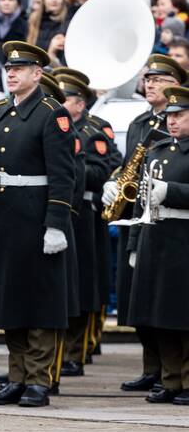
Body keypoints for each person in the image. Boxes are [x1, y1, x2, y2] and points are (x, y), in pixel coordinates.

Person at [0, 41, 75, 408]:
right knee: (11, 301)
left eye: (20, 69)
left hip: (35, 218)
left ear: (38, 73)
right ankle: (17, 376)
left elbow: (64, 176)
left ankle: (38, 379)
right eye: (9, 69)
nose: (11, 74)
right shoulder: (2, 113)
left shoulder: (51, 113)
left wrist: (56, 224)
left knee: (39, 303)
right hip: (4, 216)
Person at [101, 54, 186, 395]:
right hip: (143, 222)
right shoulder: (141, 123)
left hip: (177, 230)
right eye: (147, 78)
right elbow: (129, 166)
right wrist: (115, 182)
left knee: (173, 308)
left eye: (159, 79)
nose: (150, 83)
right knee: (145, 302)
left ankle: (174, 375)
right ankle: (158, 371)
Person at [55, 71, 121, 377]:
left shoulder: (94, 131)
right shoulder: (53, 126)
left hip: (83, 215)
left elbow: (101, 173)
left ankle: (76, 352)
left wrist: (72, 168)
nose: (60, 102)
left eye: (66, 97)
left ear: (80, 104)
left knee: (83, 285)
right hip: (61, 210)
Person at [126, 85, 189, 405]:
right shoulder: (158, 150)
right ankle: (170, 378)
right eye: (170, 116)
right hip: (156, 236)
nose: (172, 122)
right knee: (159, 316)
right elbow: (140, 202)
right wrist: (135, 244)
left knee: (183, 316)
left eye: (180, 115)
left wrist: (172, 191)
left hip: (184, 239)